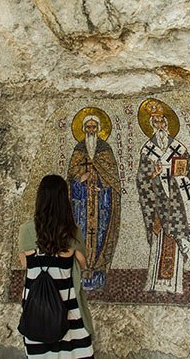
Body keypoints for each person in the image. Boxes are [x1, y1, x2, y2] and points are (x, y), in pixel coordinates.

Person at [18, 174, 94, 358]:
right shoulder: (72, 231)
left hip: (38, 309)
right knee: (76, 352)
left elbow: (25, 263)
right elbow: (83, 264)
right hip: (67, 307)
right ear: (64, 201)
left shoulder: (26, 230)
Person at [136, 99, 190, 294]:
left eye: (162, 122)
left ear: (167, 123)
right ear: (151, 125)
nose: (160, 126)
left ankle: (174, 285)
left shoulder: (179, 149)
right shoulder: (147, 150)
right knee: (159, 241)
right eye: (155, 122)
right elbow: (141, 180)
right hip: (157, 204)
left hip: (177, 205)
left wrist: (181, 181)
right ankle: (156, 284)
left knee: (177, 240)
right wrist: (152, 175)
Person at [67, 113, 121, 290]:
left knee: (100, 237)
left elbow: (112, 179)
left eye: (94, 127)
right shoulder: (79, 150)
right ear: (83, 130)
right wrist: (81, 178)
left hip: (102, 204)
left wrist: (102, 185)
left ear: (99, 129)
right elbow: (71, 176)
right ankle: (79, 272)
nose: (91, 130)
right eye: (88, 127)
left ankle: (97, 274)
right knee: (80, 234)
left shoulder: (105, 150)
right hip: (82, 205)